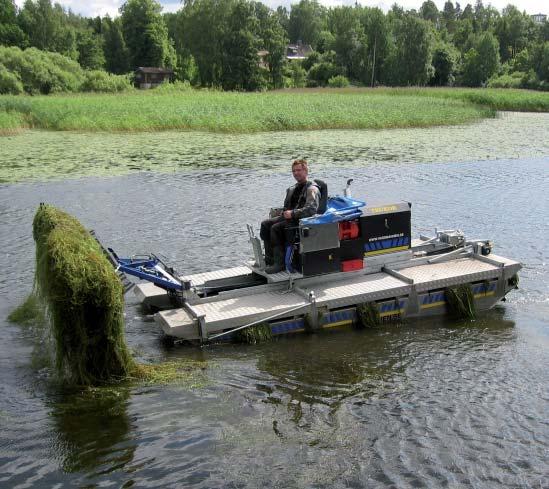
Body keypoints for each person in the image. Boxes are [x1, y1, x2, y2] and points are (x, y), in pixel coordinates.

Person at [260, 159, 320, 274]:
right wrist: (283, 212)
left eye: (299, 170)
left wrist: (293, 213)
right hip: (288, 217)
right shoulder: (293, 188)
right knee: (265, 224)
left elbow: (311, 209)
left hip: (301, 221)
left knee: (275, 228)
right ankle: (270, 258)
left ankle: (280, 263)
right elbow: (287, 206)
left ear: (306, 171)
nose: (296, 173)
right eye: (294, 171)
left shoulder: (312, 189)